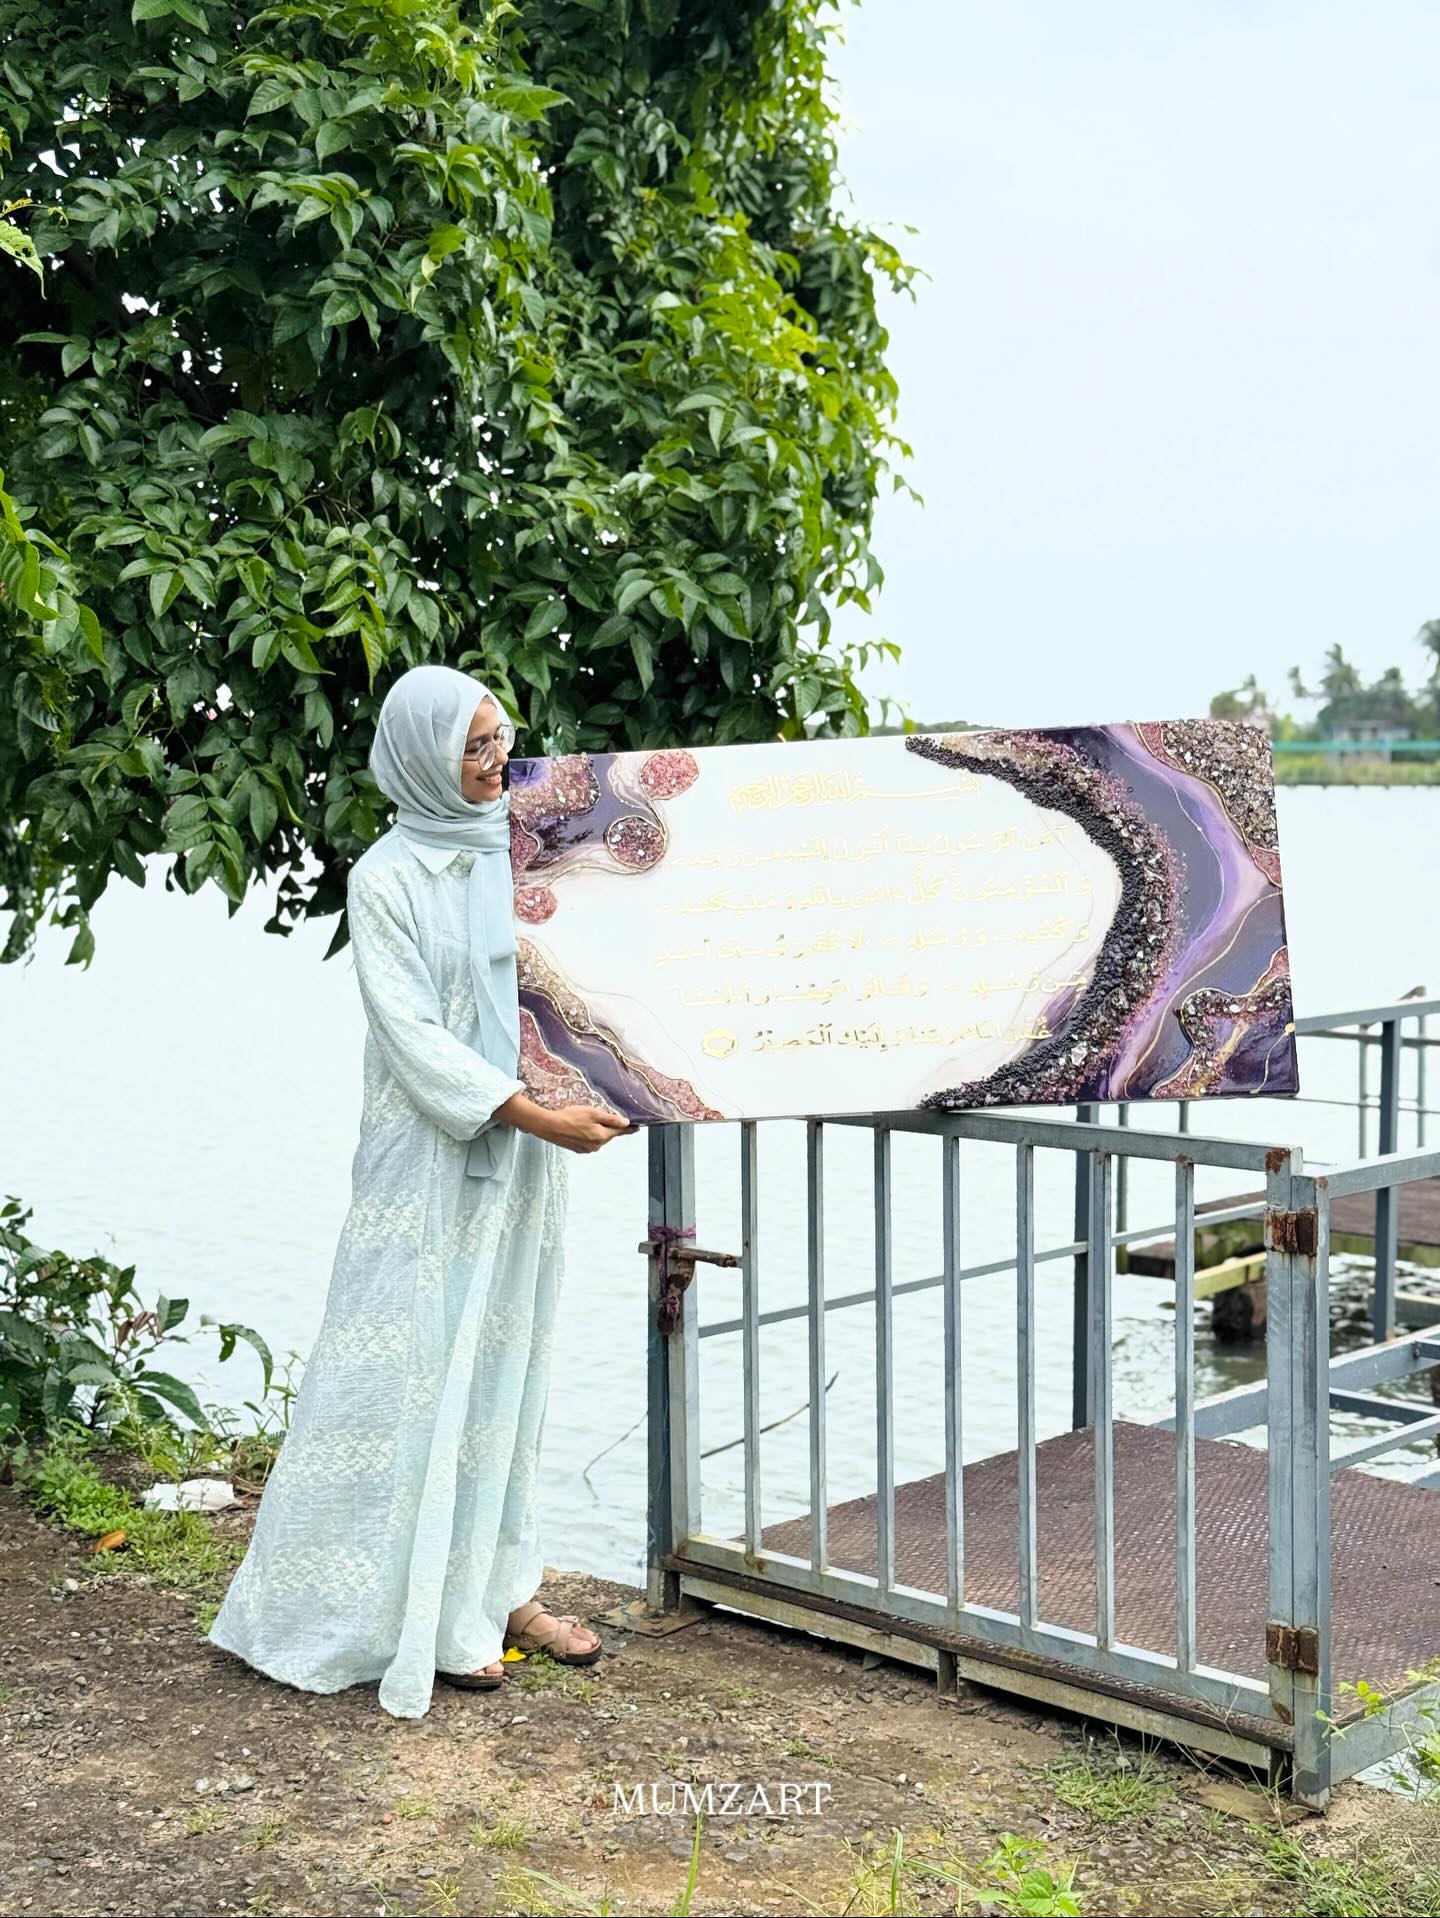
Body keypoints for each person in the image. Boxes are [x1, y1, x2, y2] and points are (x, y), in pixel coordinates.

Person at [209, 663, 631, 1717]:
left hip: (527, 1159)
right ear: (420, 759)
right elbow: (412, 1034)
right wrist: (534, 1114)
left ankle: (500, 1591)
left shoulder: (529, 850)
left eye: (501, 739)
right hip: (430, 1157)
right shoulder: (387, 877)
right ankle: (393, 1611)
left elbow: (591, 973)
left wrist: (616, 1075)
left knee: (506, 1369)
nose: (494, 761)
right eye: (471, 746)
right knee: (402, 1370)